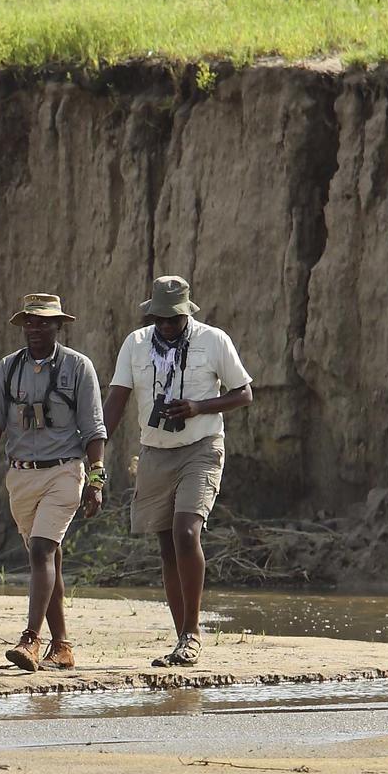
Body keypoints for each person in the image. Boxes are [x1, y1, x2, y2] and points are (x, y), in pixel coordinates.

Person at [102, 274, 254, 668]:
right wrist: (94, 450)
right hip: (155, 451)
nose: (167, 326)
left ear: (187, 313)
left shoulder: (213, 340)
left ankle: (192, 633)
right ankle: (181, 635)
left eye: (174, 319)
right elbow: (116, 401)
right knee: (166, 545)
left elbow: (244, 393)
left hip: (202, 448)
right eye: (160, 319)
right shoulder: (134, 345)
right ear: (151, 314)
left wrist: (198, 407)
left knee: (187, 532)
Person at [0, 291, 108, 672]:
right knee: (47, 560)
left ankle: (30, 639)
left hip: (65, 471)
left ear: (58, 325)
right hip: (21, 475)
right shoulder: (8, 368)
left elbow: (94, 428)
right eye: (30, 321)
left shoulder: (79, 368)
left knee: (41, 552)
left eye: (44, 321)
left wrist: (96, 479)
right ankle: (62, 646)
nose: (35, 328)